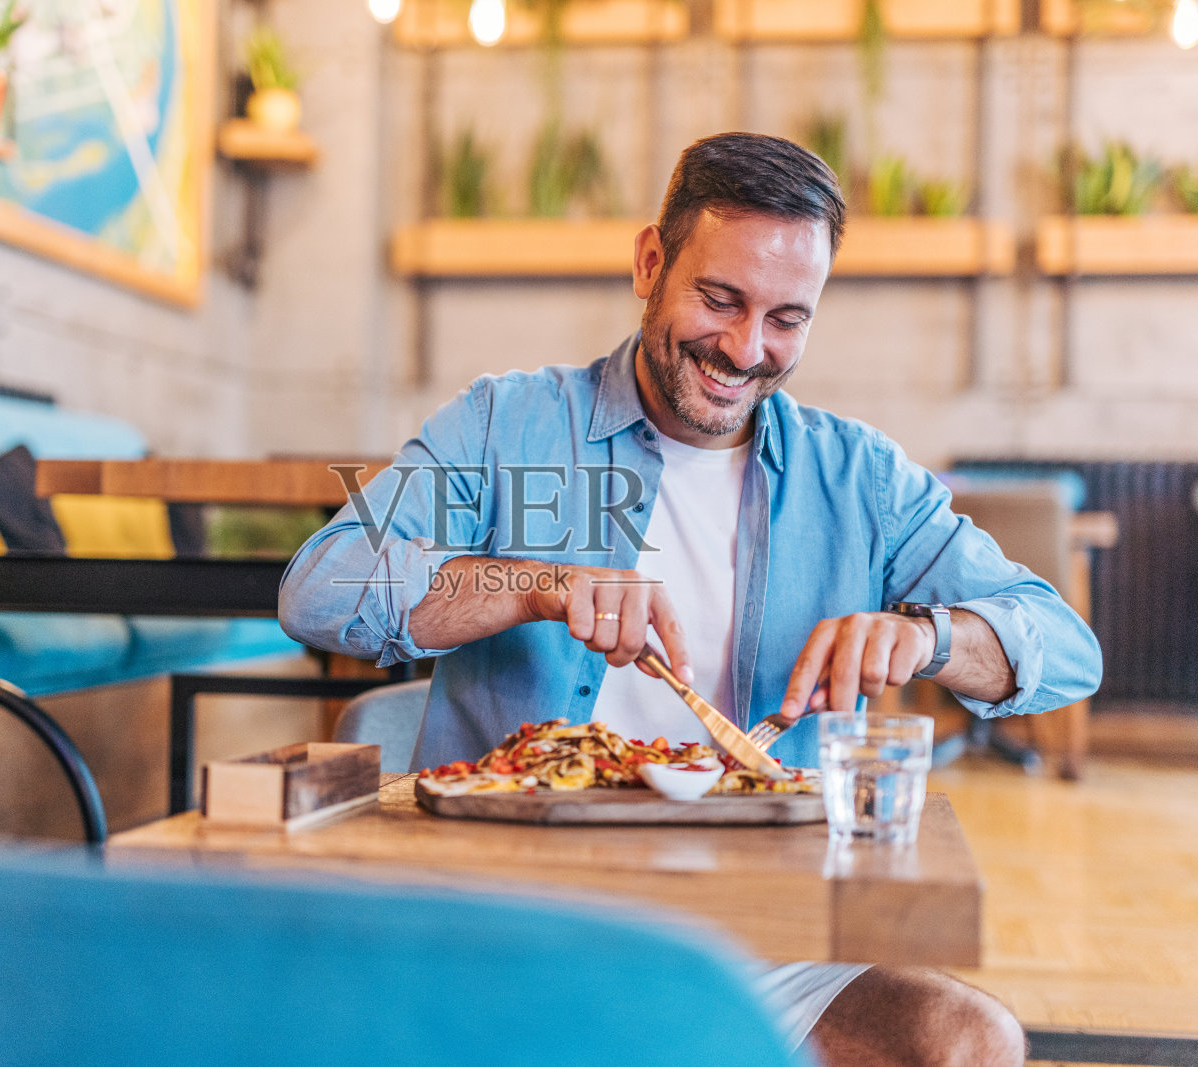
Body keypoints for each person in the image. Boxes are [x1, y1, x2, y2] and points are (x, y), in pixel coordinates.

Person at [280, 132, 1101, 1067]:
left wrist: (925, 636)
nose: (746, 350)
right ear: (649, 262)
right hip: (514, 930)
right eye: (720, 300)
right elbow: (321, 582)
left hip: (751, 941)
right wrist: (537, 583)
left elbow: (1066, 646)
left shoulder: (859, 478)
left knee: (970, 1039)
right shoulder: (507, 423)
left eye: (787, 318)